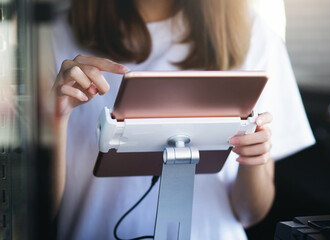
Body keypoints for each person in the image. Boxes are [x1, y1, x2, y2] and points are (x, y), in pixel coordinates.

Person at [50, 0, 315, 239]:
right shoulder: (52, 35)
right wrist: (54, 117)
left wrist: (254, 159)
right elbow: (36, 212)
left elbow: (250, 213)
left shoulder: (252, 32)